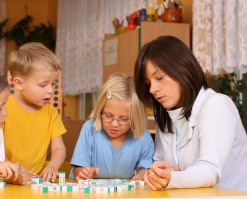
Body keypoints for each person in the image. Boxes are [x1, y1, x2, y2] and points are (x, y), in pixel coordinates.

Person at [134, 35, 247, 191]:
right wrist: (159, 172)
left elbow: (210, 170)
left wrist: (172, 178)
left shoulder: (216, 105)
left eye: (159, 77)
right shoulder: (166, 114)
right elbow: (161, 161)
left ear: (182, 69)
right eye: (148, 84)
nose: (152, 89)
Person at [69, 73, 154, 180]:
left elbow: (146, 165)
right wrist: (83, 173)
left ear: (136, 118)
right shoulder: (89, 129)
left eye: (123, 119)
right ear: (100, 110)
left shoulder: (143, 136)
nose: (114, 124)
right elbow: (78, 167)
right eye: (108, 116)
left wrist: (142, 174)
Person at [4, 42, 66, 184]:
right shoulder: (2, 109)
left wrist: (52, 166)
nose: (51, 90)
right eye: (43, 85)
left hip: (34, 183)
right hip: (4, 179)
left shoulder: (51, 112)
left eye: (53, 83)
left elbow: (59, 148)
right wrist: (14, 172)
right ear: (19, 83)